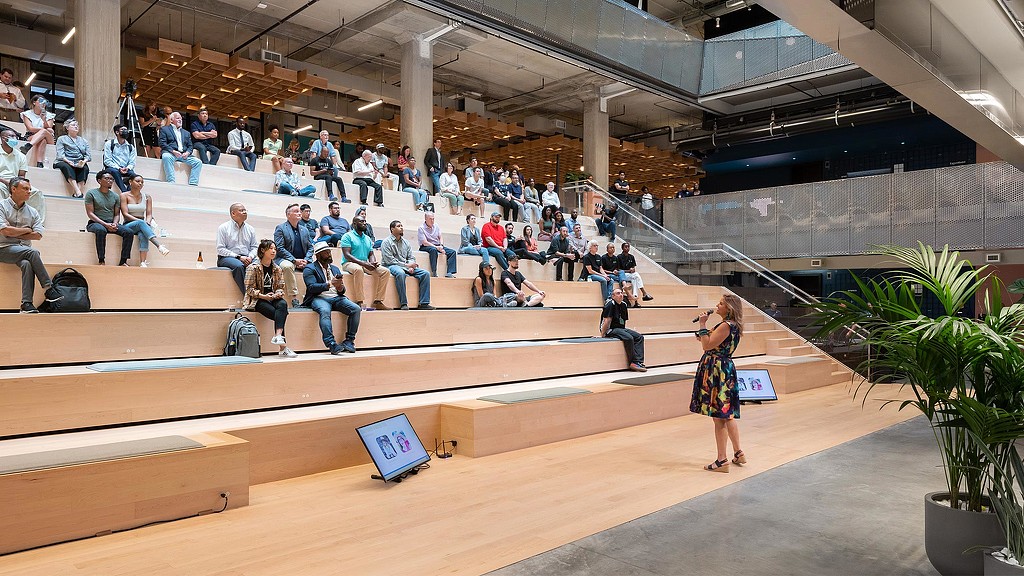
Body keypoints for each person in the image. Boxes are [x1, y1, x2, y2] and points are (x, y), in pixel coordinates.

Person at [690, 294, 746, 473]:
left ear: (729, 308)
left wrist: (702, 325)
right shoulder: (732, 325)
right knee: (726, 413)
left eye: (721, 303)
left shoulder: (725, 326)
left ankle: (722, 460)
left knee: (719, 416)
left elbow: (706, 346)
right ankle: (738, 453)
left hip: (716, 369)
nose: (717, 306)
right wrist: (705, 334)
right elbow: (707, 340)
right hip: (724, 368)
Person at [0, 176, 51, 313]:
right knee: (33, 252)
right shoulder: (1, 206)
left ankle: (26, 304)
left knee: (27, 263)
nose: (29, 191)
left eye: (29, 189)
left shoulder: (33, 211)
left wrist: (13, 232)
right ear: (14, 189)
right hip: (2, 248)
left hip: (22, 251)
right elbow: (4, 230)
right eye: (25, 188)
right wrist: (27, 230)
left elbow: (38, 235)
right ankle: (49, 288)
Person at [303, 241, 361, 354]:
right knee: (324, 311)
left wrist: (340, 287)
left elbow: (342, 290)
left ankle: (349, 341)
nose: (329, 255)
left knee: (356, 309)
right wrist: (329, 284)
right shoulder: (309, 268)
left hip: (336, 297)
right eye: (326, 253)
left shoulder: (335, 269)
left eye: (329, 252)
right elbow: (311, 287)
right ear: (318, 255)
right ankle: (331, 344)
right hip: (319, 297)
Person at [243, 239, 296, 358]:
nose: (273, 251)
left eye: (275, 249)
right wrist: (264, 296)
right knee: (280, 315)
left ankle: (278, 336)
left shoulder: (277, 268)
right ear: (262, 250)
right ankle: (283, 348)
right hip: (257, 299)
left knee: (282, 304)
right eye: (271, 248)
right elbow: (249, 289)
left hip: (272, 298)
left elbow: (280, 287)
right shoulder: (253, 267)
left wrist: (278, 293)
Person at [380, 220, 433, 310]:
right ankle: (403, 303)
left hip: (405, 266)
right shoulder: (386, 242)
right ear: (392, 229)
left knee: (425, 273)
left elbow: (411, 257)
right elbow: (390, 260)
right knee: (401, 273)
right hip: (390, 265)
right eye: (398, 226)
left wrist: (410, 265)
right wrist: (407, 267)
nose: (401, 227)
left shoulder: (406, 242)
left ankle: (424, 303)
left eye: (402, 225)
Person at [85, 170, 135, 266]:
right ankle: (101, 260)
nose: (110, 181)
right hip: (95, 223)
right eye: (107, 178)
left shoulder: (116, 196)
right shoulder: (91, 193)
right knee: (101, 230)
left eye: (112, 179)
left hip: (111, 222)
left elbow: (117, 214)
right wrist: (105, 224)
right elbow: (90, 213)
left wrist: (115, 223)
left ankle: (123, 261)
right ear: (99, 181)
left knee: (129, 232)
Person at [341, 214, 390, 310]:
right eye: (361, 221)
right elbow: (347, 255)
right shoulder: (347, 236)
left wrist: (373, 263)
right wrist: (364, 264)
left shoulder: (367, 238)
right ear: (354, 224)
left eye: (365, 221)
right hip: (349, 263)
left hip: (364, 263)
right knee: (358, 270)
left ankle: (378, 301)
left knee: (385, 271)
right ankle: (359, 301)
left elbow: (371, 254)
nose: (364, 223)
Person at [119, 174, 170, 267]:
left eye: (142, 182)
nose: (140, 184)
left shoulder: (147, 197)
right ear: (130, 182)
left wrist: (148, 222)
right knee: (141, 223)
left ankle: (143, 262)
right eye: (138, 181)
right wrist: (141, 222)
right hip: (128, 225)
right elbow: (125, 214)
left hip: (142, 224)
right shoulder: (124, 195)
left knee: (143, 234)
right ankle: (159, 246)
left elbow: (149, 214)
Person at [273, 203, 314, 308]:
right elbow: (279, 248)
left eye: (299, 211)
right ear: (288, 215)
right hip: (284, 259)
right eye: (296, 211)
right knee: (287, 266)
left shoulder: (304, 229)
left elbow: (310, 247)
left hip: (303, 260)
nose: (299, 213)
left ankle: (312, 298)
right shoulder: (281, 228)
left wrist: (306, 260)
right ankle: (294, 298)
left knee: (316, 268)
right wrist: (294, 260)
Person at [599, 287, 646, 372]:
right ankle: (633, 362)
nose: (621, 295)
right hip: (610, 329)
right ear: (613, 296)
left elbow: (623, 321)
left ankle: (638, 361)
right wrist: (602, 335)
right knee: (629, 338)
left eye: (621, 293)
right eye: (618, 293)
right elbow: (606, 320)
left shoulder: (624, 304)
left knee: (639, 337)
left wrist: (623, 331)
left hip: (620, 328)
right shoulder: (610, 304)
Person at [216, 202, 258, 293]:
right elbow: (220, 249)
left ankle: (264, 294)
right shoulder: (223, 228)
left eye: (245, 210)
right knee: (240, 266)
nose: (245, 212)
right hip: (227, 258)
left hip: (247, 257)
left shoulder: (250, 229)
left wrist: (250, 257)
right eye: (241, 210)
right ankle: (248, 295)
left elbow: (254, 247)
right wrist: (238, 257)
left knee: (259, 265)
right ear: (233, 213)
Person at [158, 111, 203, 185]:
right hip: (171, 153)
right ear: (171, 120)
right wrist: (173, 151)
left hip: (183, 155)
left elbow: (190, 146)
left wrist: (187, 153)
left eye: (181, 118)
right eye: (178, 118)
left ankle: (193, 184)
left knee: (198, 162)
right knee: (166, 157)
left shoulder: (186, 133)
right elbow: (162, 143)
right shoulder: (164, 129)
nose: (180, 120)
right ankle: (171, 181)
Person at [53, 119, 90, 198]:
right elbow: (60, 154)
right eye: (73, 125)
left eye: (77, 125)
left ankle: (76, 193)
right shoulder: (61, 139)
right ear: (67, 128)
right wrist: (68, 161)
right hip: (64, 160)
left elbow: (88, 156)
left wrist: (84, 161)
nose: (76, 126)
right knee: (67, 167)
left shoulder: (84, 140)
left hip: (78, 161)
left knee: (85, 168)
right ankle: (77, 191)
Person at [418, 211, 457, 278]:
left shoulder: (436, 225)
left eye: (433, 219)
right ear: (426, 219)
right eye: (430, 219)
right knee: (433, 250)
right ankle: (434, 271)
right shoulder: (421, 228)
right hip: (426, 246)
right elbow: (425, 242)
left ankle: (449, 272)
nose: (432, 221)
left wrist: (441, 245)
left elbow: (440, 237)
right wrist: (436, 247)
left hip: (437, 245)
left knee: (452, 252)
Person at [20, 95, 55, 168]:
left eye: (45, 102)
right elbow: (30, 128)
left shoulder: (50, 115)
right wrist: (44, 129)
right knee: (43, 139)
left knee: (45, 133)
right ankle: (39, 163)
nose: (43, 104)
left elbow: (49, 127)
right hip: (31, 135)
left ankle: (28, 146)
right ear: (34, 102)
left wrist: (44, 120)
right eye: (41, 101)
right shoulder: (27, 114)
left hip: (48, 136)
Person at [104, 124, 138, 193]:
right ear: (117, 132)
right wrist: (118, 168)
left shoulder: (131, 147)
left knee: (134, 176)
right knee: (115, 172)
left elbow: (132, 162)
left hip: (125, 168)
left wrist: (128, 168)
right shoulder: (109, 143)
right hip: (112, 168)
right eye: (122, 130)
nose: (125, 131)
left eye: (126, 129)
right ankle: (124, 191)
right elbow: (107, 160)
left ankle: (129, 192)